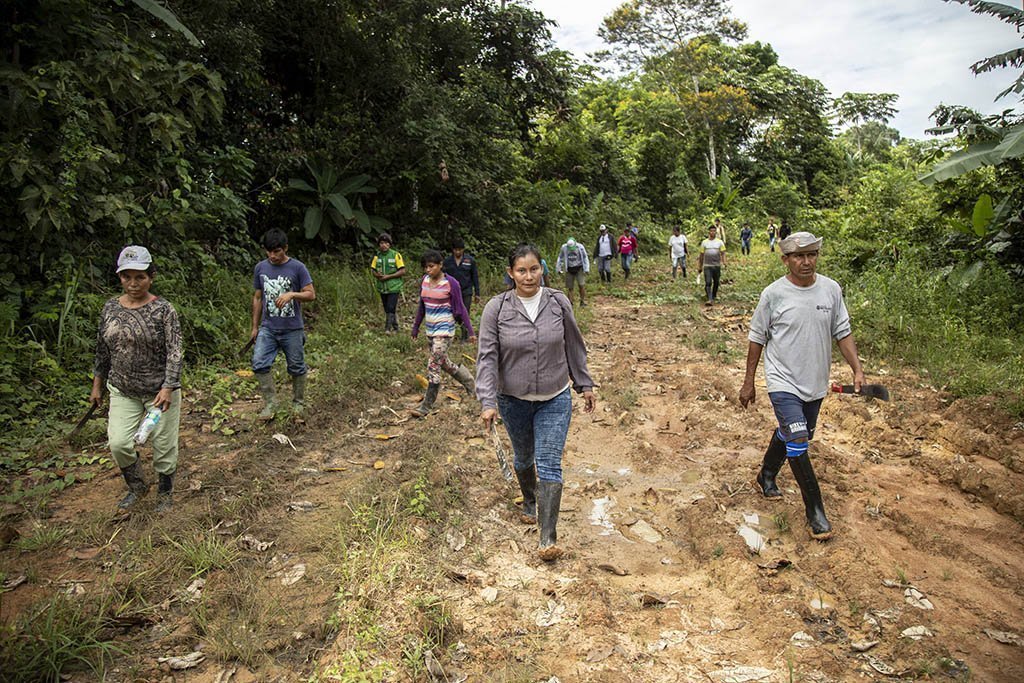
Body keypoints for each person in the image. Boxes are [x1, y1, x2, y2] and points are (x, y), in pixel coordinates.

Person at [739, 231, 865, 541]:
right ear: (786, 260)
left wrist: (857, 369)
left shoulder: (831, 290)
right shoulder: (773, 294)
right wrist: (749, 381)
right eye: (798, 256)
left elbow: (842, 332)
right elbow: (757, 338)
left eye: (811, 255)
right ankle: (816, 512)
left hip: (815, 381)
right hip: (782, 380)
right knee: (798, 439)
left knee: (797, 432)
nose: (806, 261)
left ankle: (766, 474)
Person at [476, 244, 596, 561]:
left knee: (549, 462)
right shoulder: (496, 309)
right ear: (511, 273)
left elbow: (574, 345)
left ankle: (547, 538)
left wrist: (584, 384)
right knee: (523, 457)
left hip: (554, 397)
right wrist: (487, 401)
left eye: (534, 269)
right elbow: (487, 358)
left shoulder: (558, 302)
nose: (528, 276)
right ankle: (529, 500)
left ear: (542, 269)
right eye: (521, 271)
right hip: (512, 400)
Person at [90, 246, 182, 512]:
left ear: (151, 277)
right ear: (120, 277)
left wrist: (168, 387)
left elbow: (175, 352)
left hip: (159, 393)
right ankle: (137, 486)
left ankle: (165, 492)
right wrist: (97, 385)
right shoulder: (110, 308)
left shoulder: (164, 310)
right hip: (122, 390)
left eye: (140, 277)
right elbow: (102, 350)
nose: (133, 283)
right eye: (127, 276)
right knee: (119, 443)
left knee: (163, 445)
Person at [251, 228, 316, 419]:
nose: (272, 256)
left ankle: (298, 403)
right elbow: (257, 297)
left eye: (276, 251)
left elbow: (311, 294)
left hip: (292, 328)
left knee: (296, 366)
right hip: (268, 327)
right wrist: (254, 327)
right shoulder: (260, 268)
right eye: (268, 251)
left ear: (285, 248)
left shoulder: (298, 268)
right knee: (259, 363)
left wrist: (292, 295)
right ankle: (271, 404)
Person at [410, 250, 476, 417]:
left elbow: (461, 308)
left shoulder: (451, 283)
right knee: (444, 363)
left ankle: (426, 405)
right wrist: (416, 327)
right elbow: (422, 307)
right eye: (425, 267)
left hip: (445, 330)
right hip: (430, 330)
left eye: (431, 266)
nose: (428, 270)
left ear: (440, 265)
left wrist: (470, 331)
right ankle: (470, 383)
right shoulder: (424, 281)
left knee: (433, 364)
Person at [442, 238, 480, 341]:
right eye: (456, 250)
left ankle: (464, 336)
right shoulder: (447, 262)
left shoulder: (470, 261)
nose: (458, 252)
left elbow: (475, 277)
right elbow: (443, 276)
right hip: (451, 291)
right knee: (453, 312)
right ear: (452, 250)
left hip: (466, 291)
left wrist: (477, 293)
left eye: (460, 250)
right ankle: (450, 333)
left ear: (463, 249)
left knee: (465, 312)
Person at [370, 232, 405, 333]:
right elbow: (373, 270)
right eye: (381, 243)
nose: (384, 245)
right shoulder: (377, 256)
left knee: (390, 307)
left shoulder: (395, 255)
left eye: (386, 243)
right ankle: (396, 327)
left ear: (389, 244)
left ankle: (387, 329)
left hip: (394, 287)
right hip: (382, 287)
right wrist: (377, 275)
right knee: (387, 308)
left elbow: (402, 271)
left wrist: (389, 276)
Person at [555, 237, 590, 306]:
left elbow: (585, 257)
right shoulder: (564, 247)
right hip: (569, 269)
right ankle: (570, 303)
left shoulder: (580, 247)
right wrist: (558, 268)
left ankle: (582, 301)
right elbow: (560, 258)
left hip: (579, 268)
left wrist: (586, 268)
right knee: (570, 287)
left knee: (581, 285)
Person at [698, 225, 726, 305]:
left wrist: (724, 262)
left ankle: (713, 295)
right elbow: (701, 255)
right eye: (711, 231)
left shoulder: (720, 242)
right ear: (709, 232)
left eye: (714, 231)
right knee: (708, 282)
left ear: (716, 232)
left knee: (716, 282)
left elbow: (723, 253)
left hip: (717, 265)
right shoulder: (704, 242)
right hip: (707, 265)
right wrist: (700, 266)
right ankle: (710, 299)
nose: (712, 232)